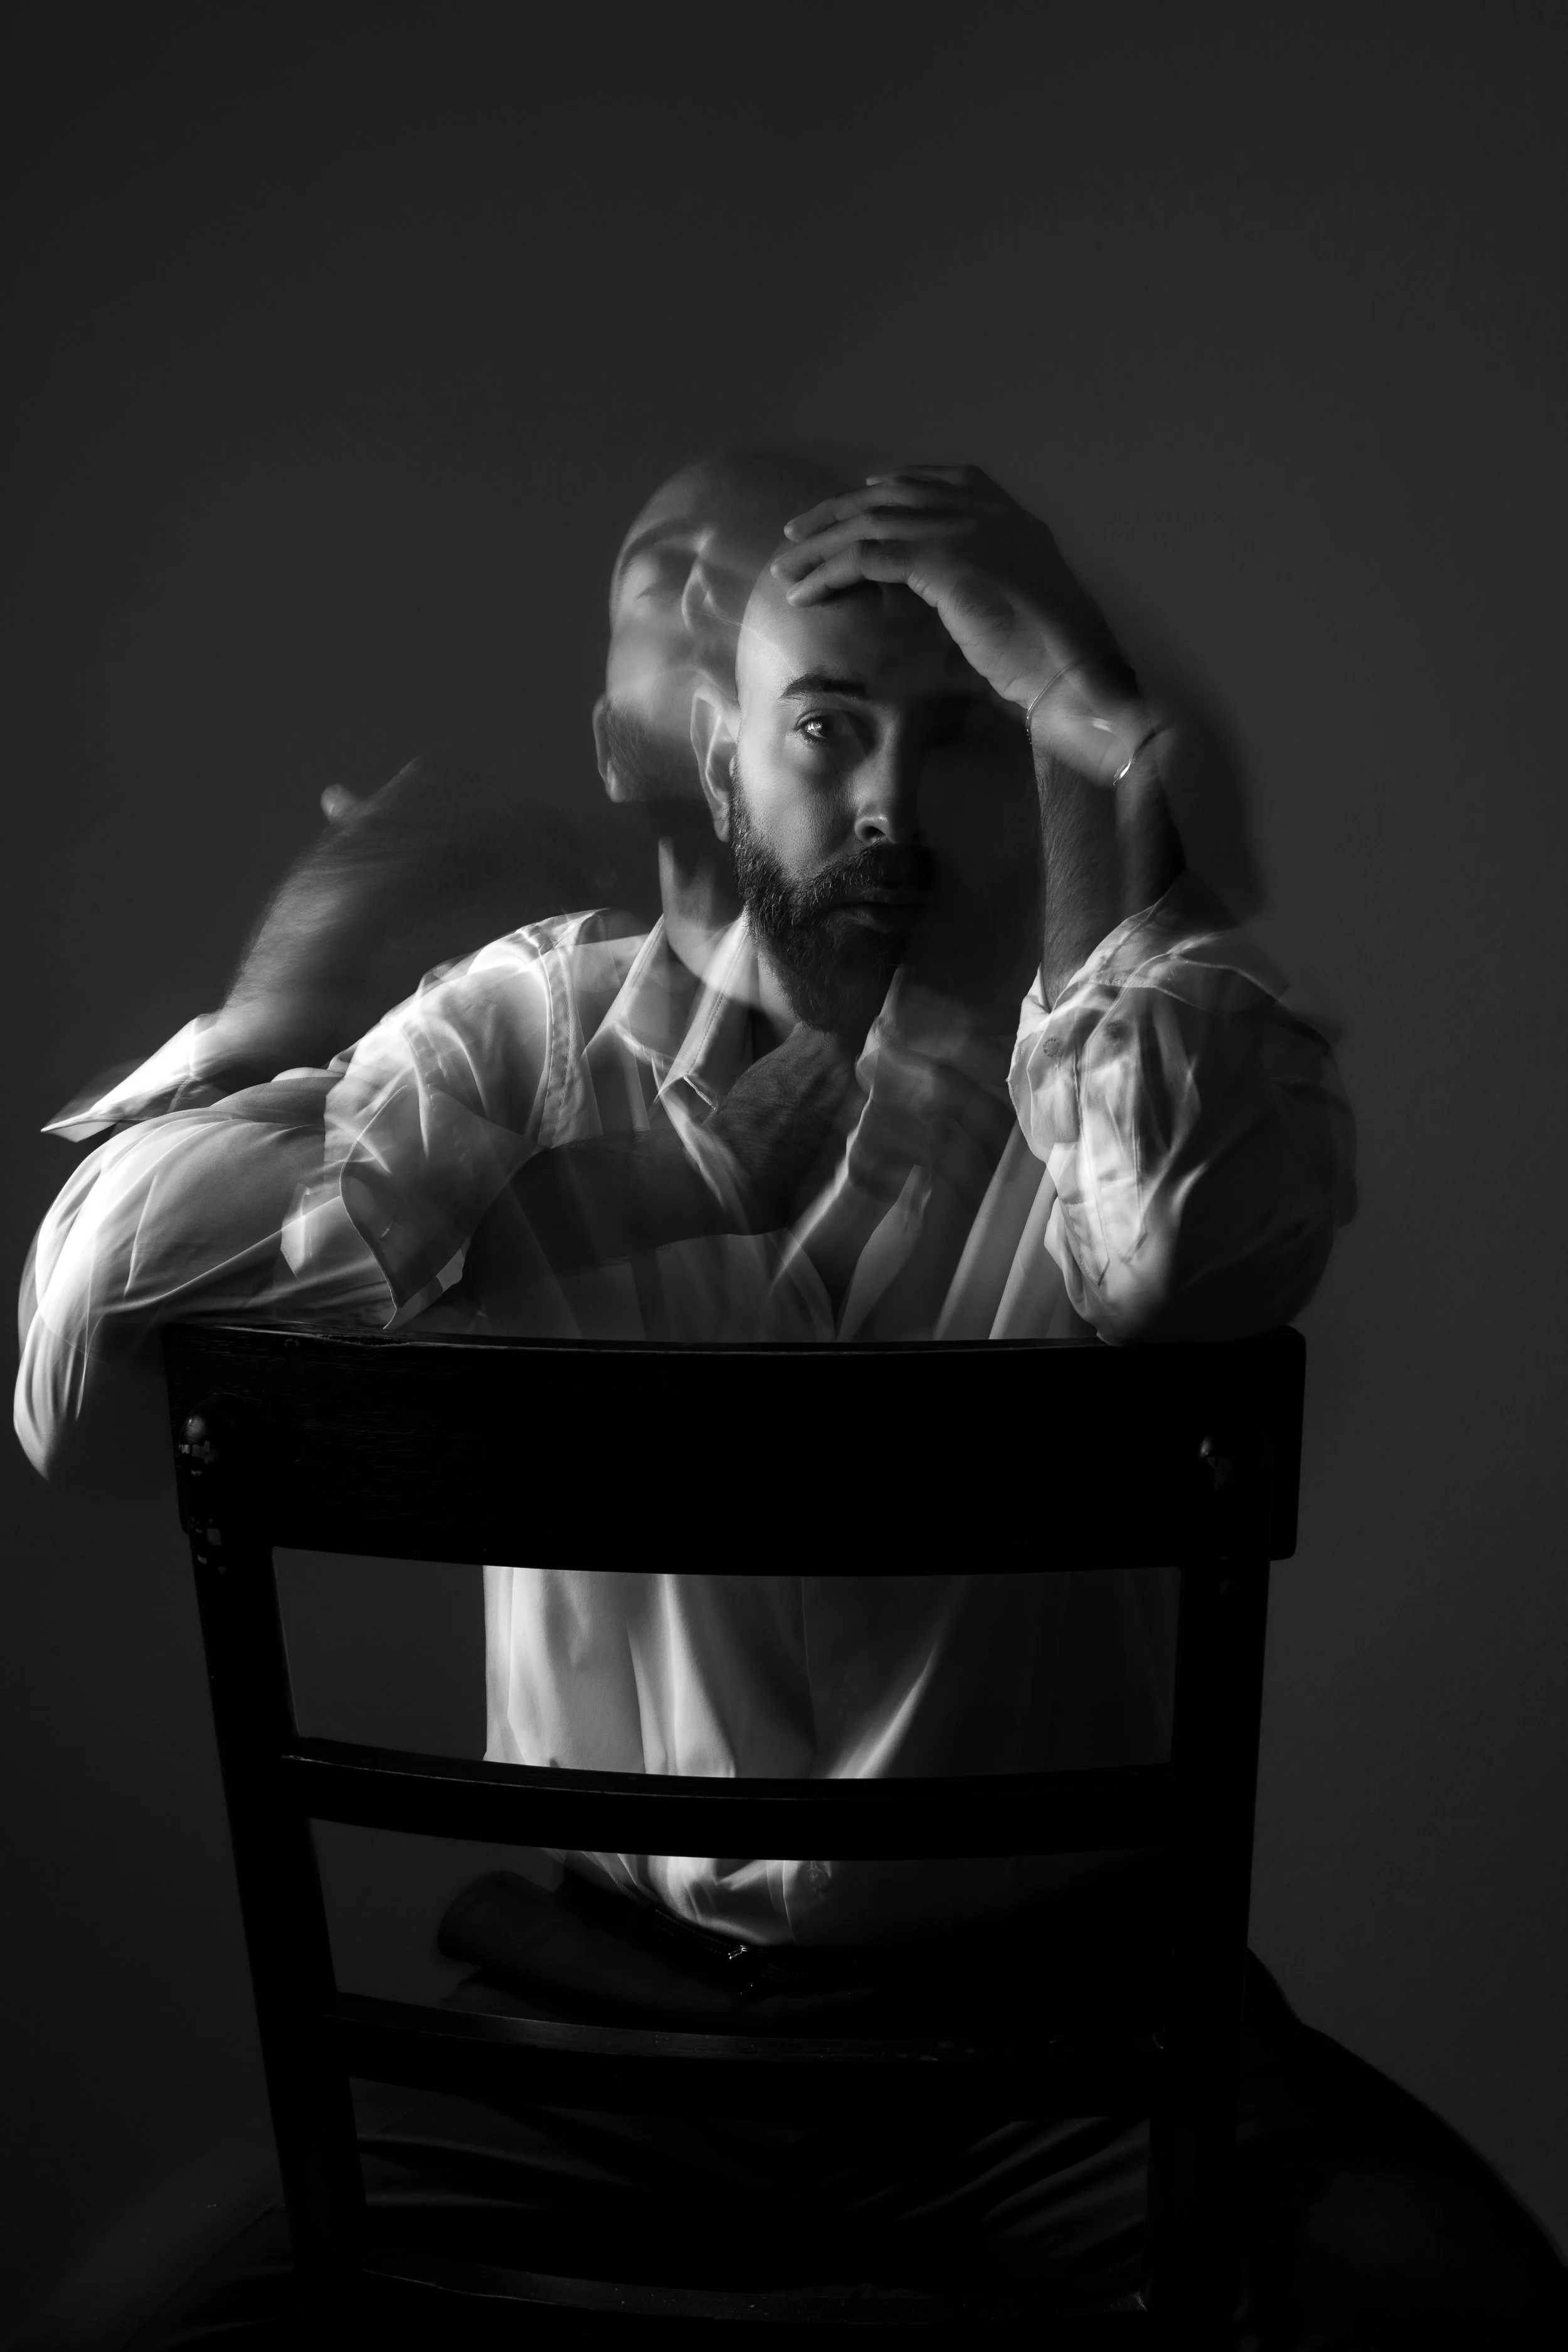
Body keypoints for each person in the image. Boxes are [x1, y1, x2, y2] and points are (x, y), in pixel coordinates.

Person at [20, 463, 1567, 2345]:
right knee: (146, 2319)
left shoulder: (1120, 1069)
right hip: (593, 2043)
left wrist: (1105, 724)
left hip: (1074, 2046)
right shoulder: (518, 1043)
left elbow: (1192, 1248)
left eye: (969, 735)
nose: (892, 802)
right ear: (718, 750)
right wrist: (295, 1017)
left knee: (1462, 2308)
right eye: (827, 729)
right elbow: (84, 1377)